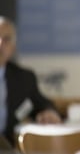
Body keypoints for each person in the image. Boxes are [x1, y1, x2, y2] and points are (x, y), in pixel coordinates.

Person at [0, 16, 61, 145]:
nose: (0, 43)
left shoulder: (24, 78)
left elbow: (42, 104)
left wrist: (48, 112)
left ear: (13, 46)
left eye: (6, 39)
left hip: (9, 148)